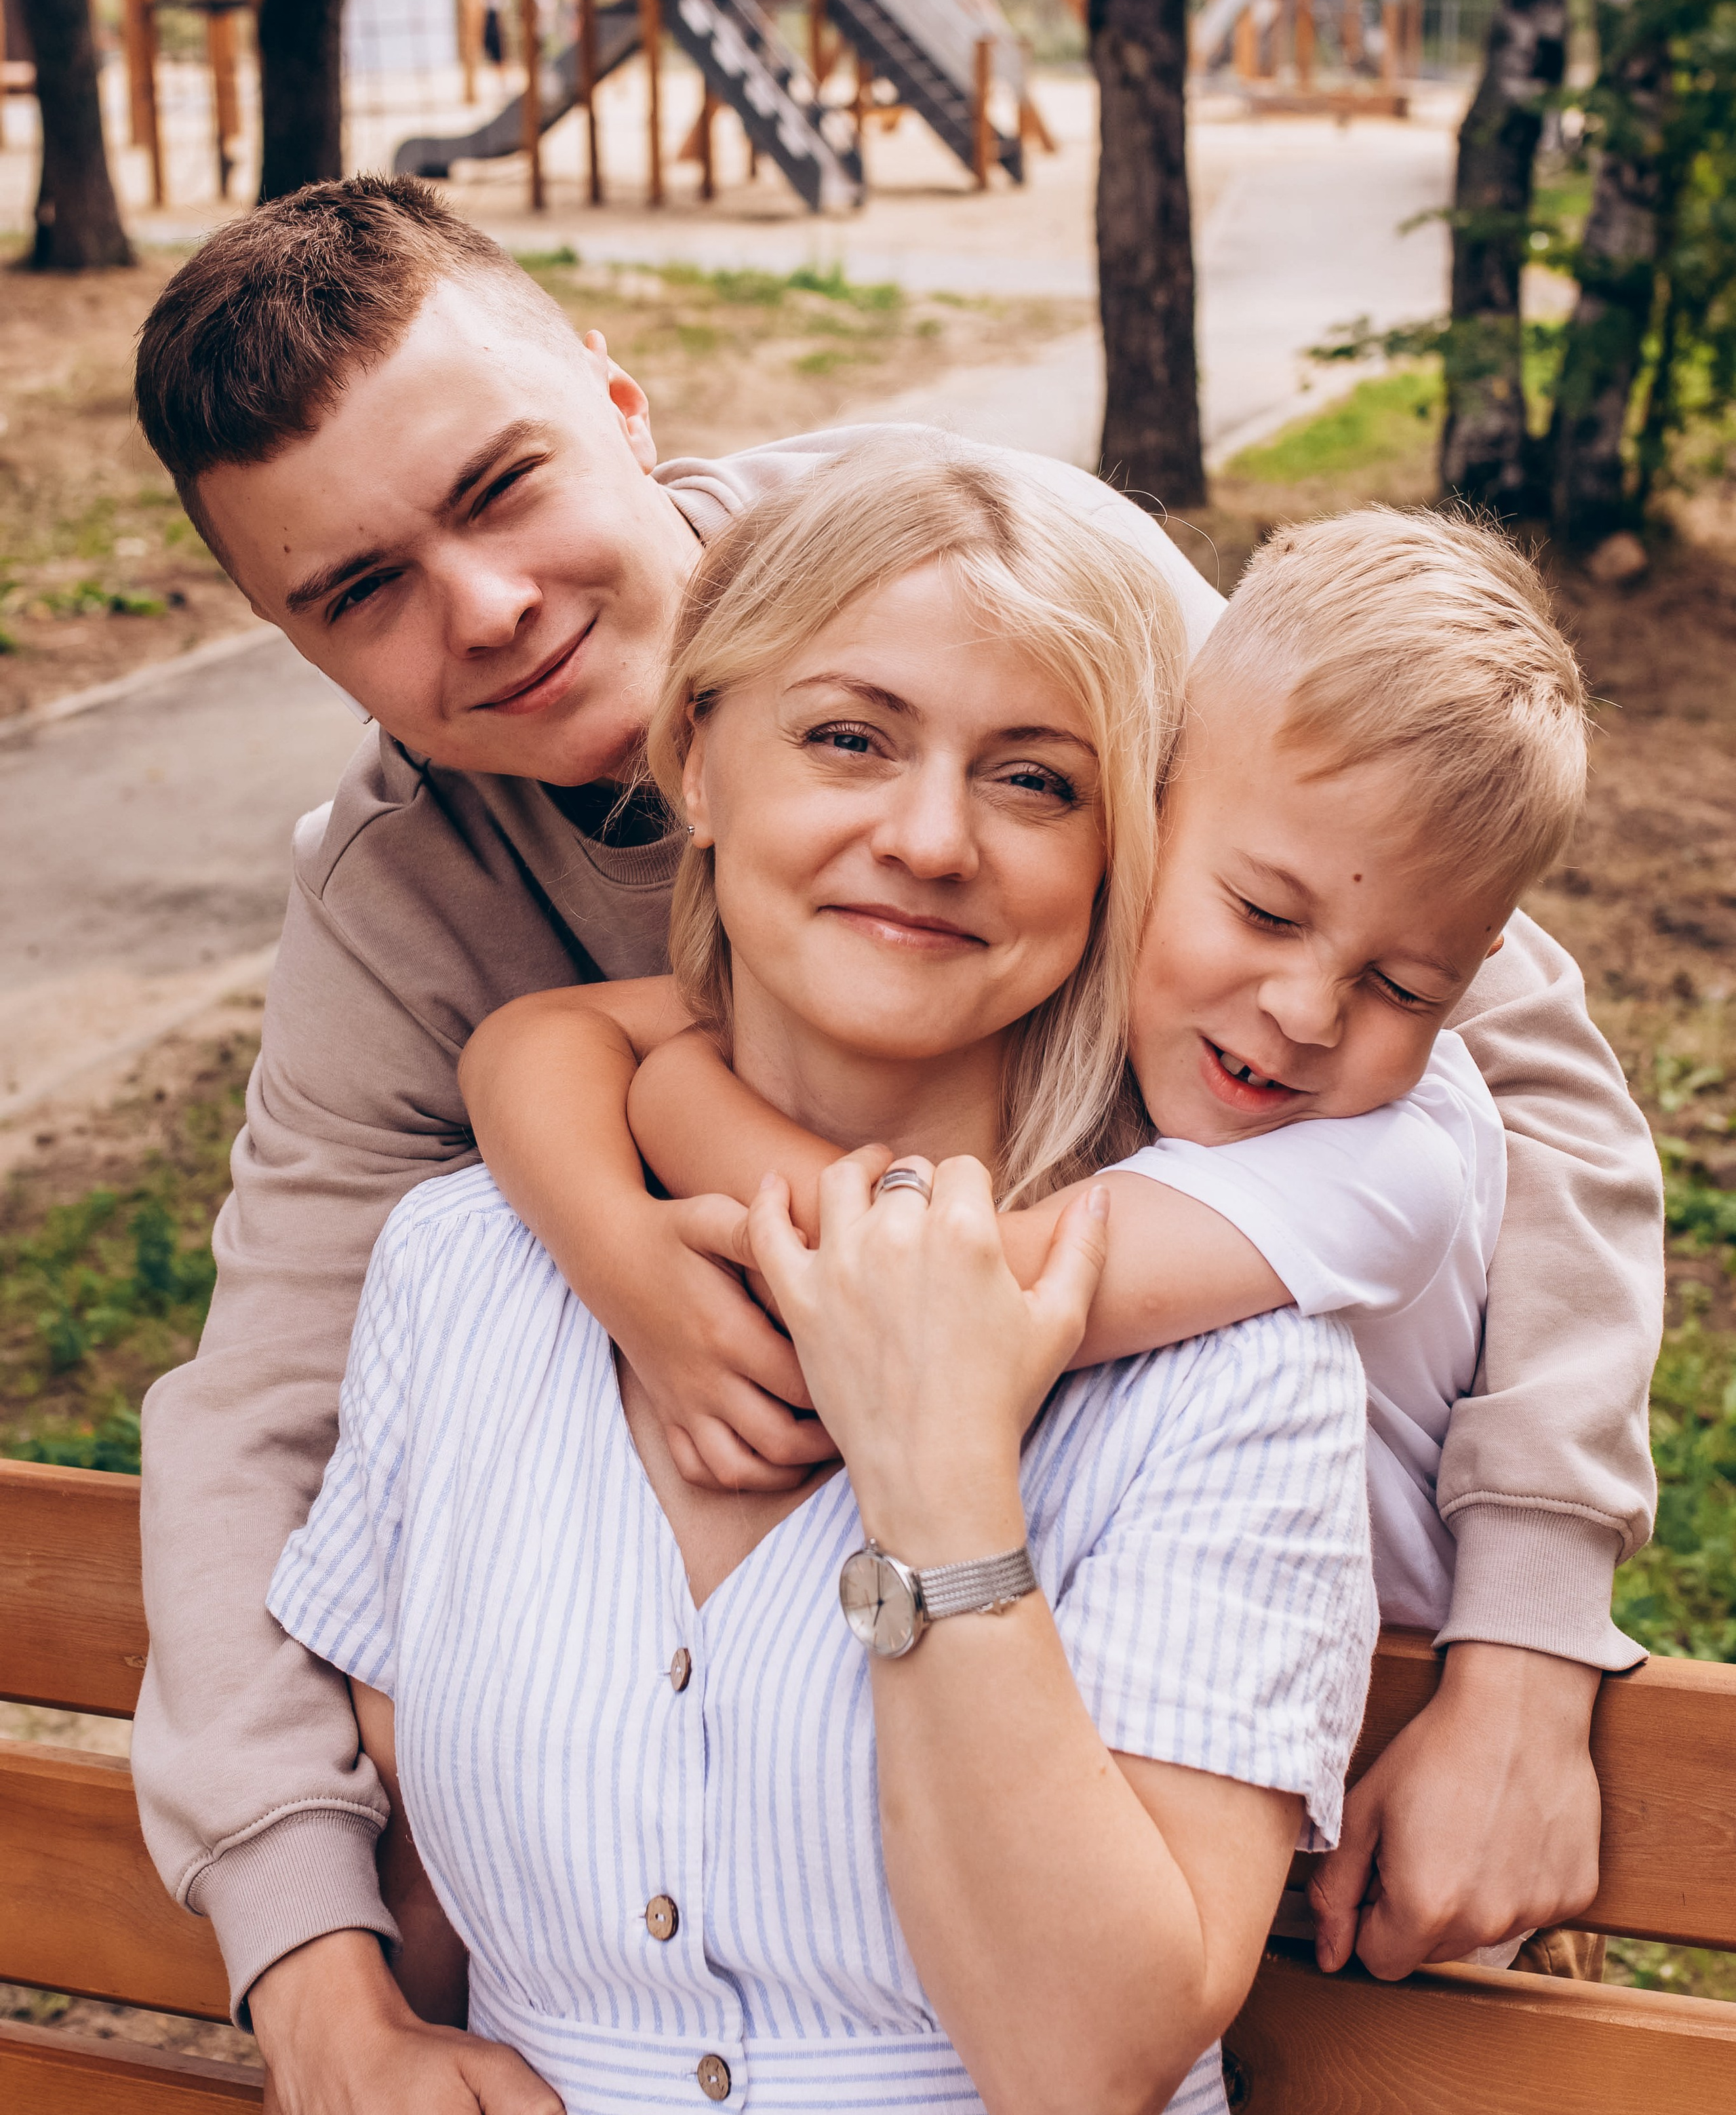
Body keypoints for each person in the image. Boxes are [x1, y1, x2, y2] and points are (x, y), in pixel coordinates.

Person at [128, 176, 1660, 2115]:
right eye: (363, 590)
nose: (477, 609)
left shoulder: (1013, 588)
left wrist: (1524, 1647)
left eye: (502, 487)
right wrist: (314, 1997)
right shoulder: (404, 913)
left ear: (619, 399)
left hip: (1243, 1722)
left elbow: (1487, 1049)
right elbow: (267, 1402)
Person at [250, 446, 1377, 2115]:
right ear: (695, 761)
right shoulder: (465, 1275)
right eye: (850, 739)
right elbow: (418, 1940)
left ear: (1123, 854)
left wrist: (941, 1478)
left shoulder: (1234, 1361)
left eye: (1035, 780)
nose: (934, 839)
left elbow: (1078, 2077)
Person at [465, 501, 1643, 1985]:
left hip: (1380, 1820)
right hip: (1139, 1755)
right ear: (1147, 810)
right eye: (1258, 910)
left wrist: (677, 1093)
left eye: (1403, 986)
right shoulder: (1113, 1017)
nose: (1302, 1012)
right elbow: (536, 1040)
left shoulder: (1388, 1155)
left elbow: (943, 1303)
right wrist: (620, 1253)